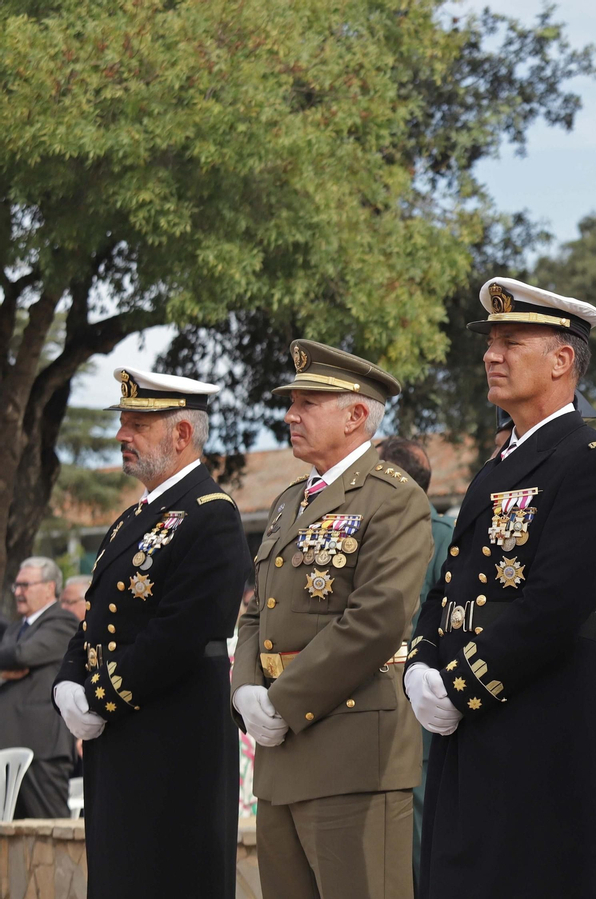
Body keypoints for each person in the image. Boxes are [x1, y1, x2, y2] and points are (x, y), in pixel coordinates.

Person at [406, 278, 596, 898]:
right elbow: (447, 591)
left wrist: (457, 685)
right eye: (489, 342)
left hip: (540, 732)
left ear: (562, 360)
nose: (491, 355)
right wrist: (421, 663)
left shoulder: (594, 461)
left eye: (511, 341)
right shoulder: (495, 470)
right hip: (470, 732)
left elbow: (556, 605)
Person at [232, 340, 431, 899]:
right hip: (280, 751)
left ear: (357, 415)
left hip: (351, 752)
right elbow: (255, 612)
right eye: (291, 401)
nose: (290, 415)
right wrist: (245, 688)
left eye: (308, 402)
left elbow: (378, 619)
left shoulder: (392, 498)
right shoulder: (288, 501)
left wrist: (283, 700)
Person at [53, 368, 249, 897]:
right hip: (119, 737)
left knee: (168, 875)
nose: (122, 435)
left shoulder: (212, 516)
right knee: (120, 876)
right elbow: (94, 617)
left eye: (137, 424)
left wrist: (98, 696)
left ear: (181, 435)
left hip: (174, 740)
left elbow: (183, 632)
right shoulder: (128, 522)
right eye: (124, 423)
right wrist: (68, 682)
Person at [376, 437, 453, 887]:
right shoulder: (375, 532)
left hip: (416, 721)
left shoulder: (439, 537)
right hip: (366, 720)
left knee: (421, 850)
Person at [0, 557, 78, 818]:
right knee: (12, 838)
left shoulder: (62, 621)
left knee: (51, 831)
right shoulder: (15, 629)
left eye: (25, 585)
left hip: (42, 749)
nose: (18, 592)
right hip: (10, 746)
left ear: (49, 587)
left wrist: (12, 662)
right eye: (16, 586)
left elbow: (23, 656)